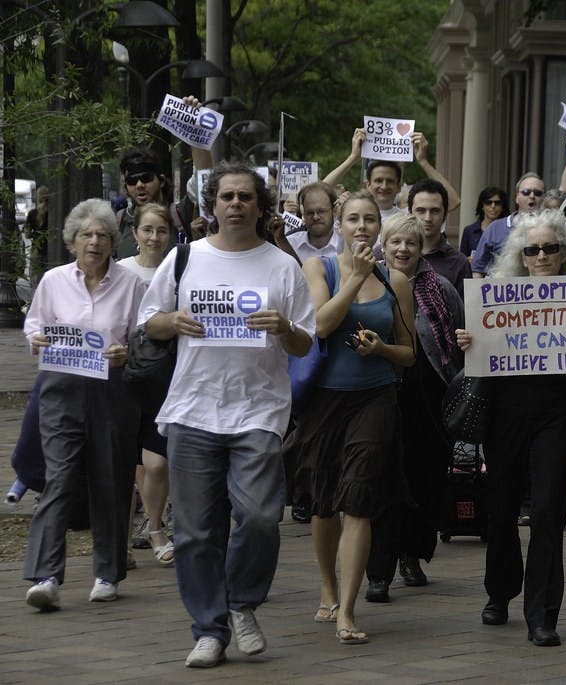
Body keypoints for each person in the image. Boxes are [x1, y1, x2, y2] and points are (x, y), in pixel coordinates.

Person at [138, 162, 315, 668]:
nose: (235, 204)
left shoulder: (282, 266)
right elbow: (148, 323)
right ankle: (208, 628)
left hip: (258, 410)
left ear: (260, 207)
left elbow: (305, 342)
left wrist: (283, 326)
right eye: (227, 196)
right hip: (194, 408)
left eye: (245, 197)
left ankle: (242, 604)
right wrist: (171, 321)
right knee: (195, 530)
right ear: (212, 205)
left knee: (260, 517)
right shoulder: (185, 258)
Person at [283, 189, 415, 643]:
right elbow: (320, 324)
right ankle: (327, 589)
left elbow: (409, 353)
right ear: (339, 224)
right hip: (324, 400)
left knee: (358, 499)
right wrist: (355, 281)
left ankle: (349, 611)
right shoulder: (319, 267)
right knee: (323, 503)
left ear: (381, 227)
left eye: (370, 220)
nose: (362, 227)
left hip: (375, 398)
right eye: (354, 219)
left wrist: (381, 349)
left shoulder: (397, 280)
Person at [455, 209, 566, 648]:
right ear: (520, 256)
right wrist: (469, 341)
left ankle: (542, 613)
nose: (542, 255)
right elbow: (475, 350)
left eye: (550, 248)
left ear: (563, 253)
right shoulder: (496, 296)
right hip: (505, 414)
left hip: (556, 416)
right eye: (533, 249)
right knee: (501, 507)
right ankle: (500, 590)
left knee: (548, 510)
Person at [22, 199, 146, 611]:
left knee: (110, 478)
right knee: (59, 477)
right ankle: (45, 575)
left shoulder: (131, 285)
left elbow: (143, 338)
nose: (94, 242)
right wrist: (36, 339)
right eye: (86, 235)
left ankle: (107, 572)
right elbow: (36, 324)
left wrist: (127, 352)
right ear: (72, 241)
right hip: (60, 389)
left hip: (112, 391)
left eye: (102, 235)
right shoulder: (54, 280)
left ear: (113, 242)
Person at [365, 213, 463, 602]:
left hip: (430, 394)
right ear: (383, 246)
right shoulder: (369, 283)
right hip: (383, 391)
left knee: (425, 479)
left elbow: (458, 337)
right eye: (395, 243)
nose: (403, 249)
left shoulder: (440, 287)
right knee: (385, 479)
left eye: (410, 243)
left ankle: (413, 555)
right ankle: (379, 570)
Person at [117, 202, 175, 565]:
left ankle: (155, 527)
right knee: (123, 463)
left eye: (162, 230)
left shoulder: (177, 270)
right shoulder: (120, 271)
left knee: (156, 464)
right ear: (135, 233)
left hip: (164, 377)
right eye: (148, 229)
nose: (154, 237)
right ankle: (117, 543)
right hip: (124, 377)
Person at [323, 129, 461, 224]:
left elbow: (454, 201)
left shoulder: (409, 216)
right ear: (367, 184)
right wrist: (353, 157)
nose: (384, 186)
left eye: (390, 181)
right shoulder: (350, 212)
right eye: (378, 180)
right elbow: (321, 193)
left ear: (399, 186)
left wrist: (423, 162)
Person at [471, 172, 546, 277]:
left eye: (538, 193)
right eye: (526, 192)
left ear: (544, 198)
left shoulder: (550, 229)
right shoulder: (495, 228)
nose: (532, 196)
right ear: (516, 198)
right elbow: (477, 269)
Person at [408, 179, 472, 295]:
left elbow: (462, 311)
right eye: (421, 211)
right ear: (409, 212)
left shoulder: (459, 263)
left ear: (445, 214)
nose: (427, 218)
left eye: (435, 211)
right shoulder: (392, 254)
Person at [286, 182, 341, 262]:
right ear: (303, 214)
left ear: (334, 211)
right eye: (310, 213)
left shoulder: (345, 247)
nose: (315, 217)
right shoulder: (289, 244)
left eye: (321, 211)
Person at [460, 186, 509, 260]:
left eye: (497, 203)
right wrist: (467, 261)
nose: (493, 206)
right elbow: (461, 260)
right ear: (482, 206)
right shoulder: (469, 231)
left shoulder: (509, 230)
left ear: (502, 207)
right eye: (488, 203)